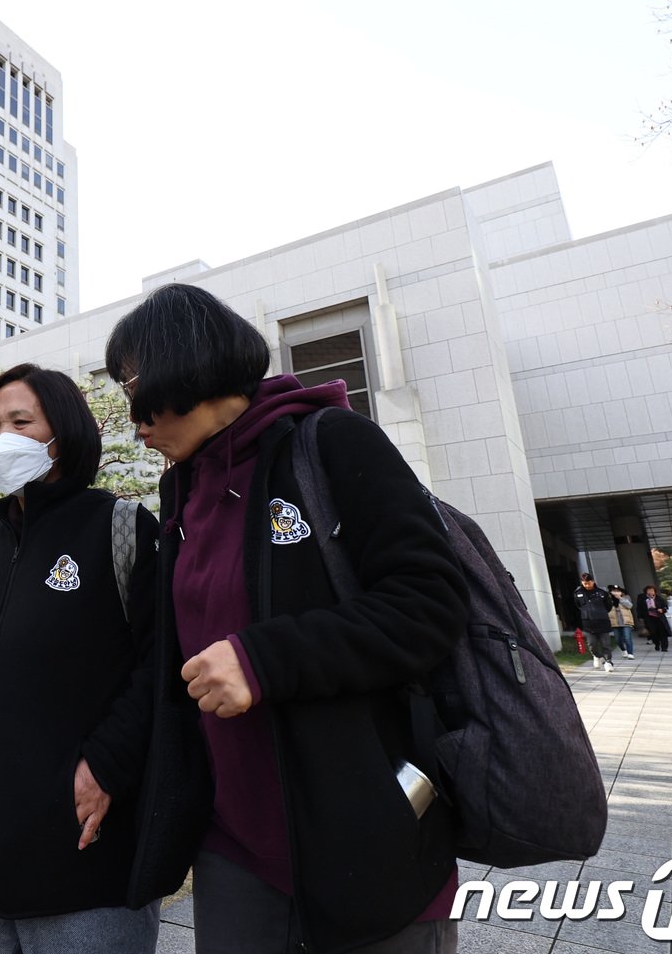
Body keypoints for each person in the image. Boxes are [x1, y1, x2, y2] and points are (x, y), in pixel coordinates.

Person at [104, 284, 470, 954]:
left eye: (132, 385)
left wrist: (263, 658)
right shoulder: (179, 489)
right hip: (234, 851)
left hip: (370, 839)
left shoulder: (333, 443)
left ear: (179, 364)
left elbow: (430, 601)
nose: (135, 421)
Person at [0, 363, 164, 953]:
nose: (3, 439)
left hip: (80, 866)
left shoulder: (122, 530)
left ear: (64, 432)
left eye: (21, 422)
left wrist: (107, 763)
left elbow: (160, 668)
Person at [573, 573, 616, 672]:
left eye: (589, 583)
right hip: (588, 622)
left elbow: (608, 606)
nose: (587, 585)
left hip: (602, 621)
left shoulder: (602, 593)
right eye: (585, 583)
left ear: (593, 581)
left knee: (606, 644)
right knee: (592, 644)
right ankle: (597, 656)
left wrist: (601, 613)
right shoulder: (578, 593)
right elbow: (577, 606)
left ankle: (608, 662)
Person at [639, 585, 670, 652]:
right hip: (649, 619)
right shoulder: (643, 599)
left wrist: (662, 610)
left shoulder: (659, 598)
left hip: (659, 618)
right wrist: (640, 617)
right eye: (649, 591)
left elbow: (665, 607)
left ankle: (664, 647)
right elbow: (639, 609)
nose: (650, 592)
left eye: (652, 590)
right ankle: (657, 644)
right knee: (653, 633)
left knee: (663, 633)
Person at [607, 585, 635, 659]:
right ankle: (623, 650)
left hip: (626, 621)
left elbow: (629, 606)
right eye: (614, 591)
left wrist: (620, 598)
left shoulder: (626, 598)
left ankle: (630, 653)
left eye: (618, 591)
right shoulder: (609, 600)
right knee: (618, 639)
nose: (616, 593)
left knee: (627, 638)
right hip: (615, 623)